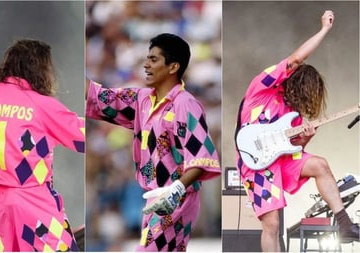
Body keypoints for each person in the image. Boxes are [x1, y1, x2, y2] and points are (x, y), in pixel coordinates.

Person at [0, 1, 85, 251]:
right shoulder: (42, 106)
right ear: (41, 70)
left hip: (0, 211)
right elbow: (85, 136)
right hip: (37, 208)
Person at [234, 10, 359, 251]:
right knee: (271, 224)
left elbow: (293, 148)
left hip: (279, 159)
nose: (301, 98)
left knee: (320, 165)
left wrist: (306, 139)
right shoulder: (262, 87)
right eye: (301, 90)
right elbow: (295, 59)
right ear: (292, 80)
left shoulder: (293, 113)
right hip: (256, 163)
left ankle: (345, 224)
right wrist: (324, 29)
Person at [86, 33, 221, 251]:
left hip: (178, 198)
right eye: (147, 59)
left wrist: (176, 189)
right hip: (153, 198)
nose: (146, 65)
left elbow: (202, 157)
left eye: (154, 59)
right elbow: (98, 97)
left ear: (173, 67)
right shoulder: (142, 100)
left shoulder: (185, 104)